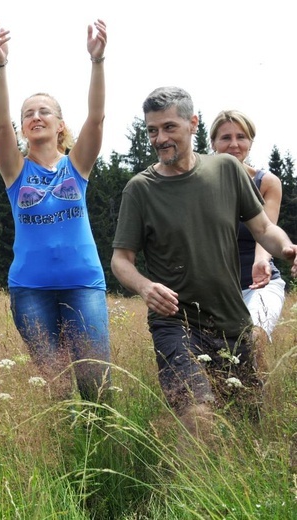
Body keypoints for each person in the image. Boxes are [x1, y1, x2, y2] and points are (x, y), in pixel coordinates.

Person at [111, 86, 297, 436]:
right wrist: (145, 286)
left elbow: (264, 229)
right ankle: (179, 492)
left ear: (193, 123)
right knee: (198, 414)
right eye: (152, 130)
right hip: (176, 323)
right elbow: (121, 260)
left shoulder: (226, 170)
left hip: (232, 322)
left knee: (247, 423)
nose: (159, 138)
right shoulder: (140, 189)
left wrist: (288, 249)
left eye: (169, 128)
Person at [0, 20, 110, 400]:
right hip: (30, 289)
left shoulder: (78, 165)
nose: (35, 116)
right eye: (28, 113)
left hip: (83, 284)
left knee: (95, 383)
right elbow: (0, 127)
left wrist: (98, 61)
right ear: (23, 127)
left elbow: (97, 117)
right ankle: (62, 453)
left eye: (45, 111)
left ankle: (101, 445)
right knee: (54, 386)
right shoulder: (15, 170)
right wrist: (0, 66)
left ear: (60, 125)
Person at [210, 110, 285, 376]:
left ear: (251, 142)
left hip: (259, 284)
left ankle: (256, 406)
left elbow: (266, 230)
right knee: (218, 363)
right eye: (225, 137)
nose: (234, 144)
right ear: (213, 144)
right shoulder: (201, 183)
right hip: (216, 292)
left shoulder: (266, 183)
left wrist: (262, 260)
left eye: (241, 137)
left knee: (251, 341)